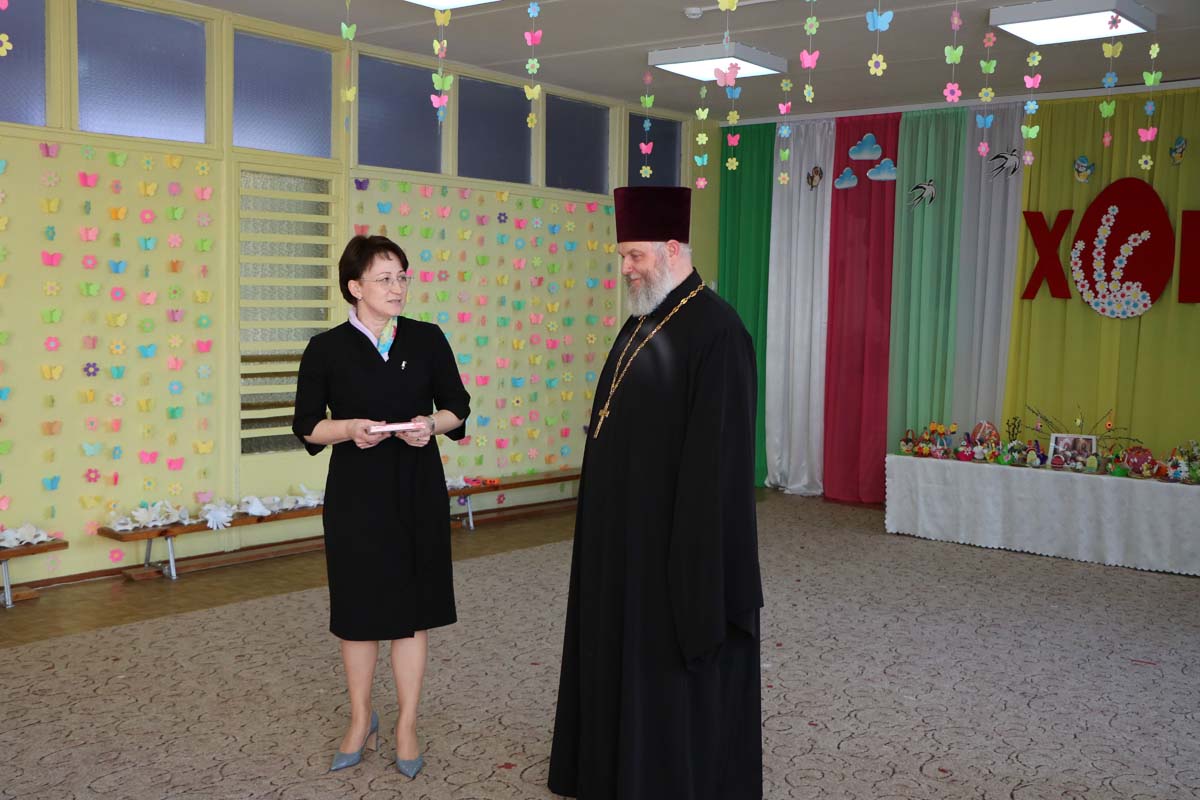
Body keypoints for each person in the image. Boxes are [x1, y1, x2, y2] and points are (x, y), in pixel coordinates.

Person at [548, 186, 764, 799]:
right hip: (621, 535)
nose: (625, 269)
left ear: (673, 249)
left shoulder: (719, 332)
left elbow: (718, 463)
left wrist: (692, 558)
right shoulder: (643, 320)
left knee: (665, 661)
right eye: (622, 257)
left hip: (674, 541)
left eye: (635, 256)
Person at [291, 235, 469, 778]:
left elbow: (457, 408)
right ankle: (360, 717)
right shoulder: (325, 348)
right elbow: (308, 426)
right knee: (359, 616)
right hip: (357, 495)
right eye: (384, 279)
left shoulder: (427, 337)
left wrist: (429, 425)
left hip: (417, 489)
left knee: (413, 616)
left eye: (402, 277)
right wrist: (349, 429)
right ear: (355, 287)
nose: (397, 288)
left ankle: (407, 724)